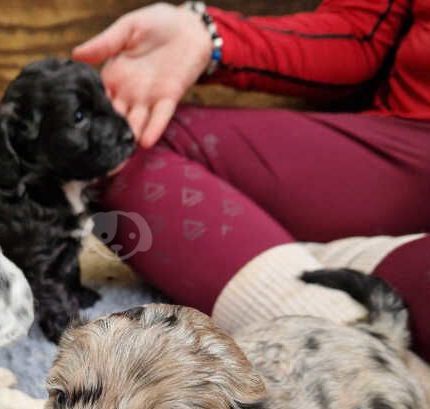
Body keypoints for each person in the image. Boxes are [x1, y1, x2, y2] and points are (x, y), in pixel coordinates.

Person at [72, 1, 430, 361]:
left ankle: (342, 339)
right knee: (112, 147)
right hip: (405, 144)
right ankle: (350, 352)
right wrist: (205, 36)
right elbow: (361, 33)